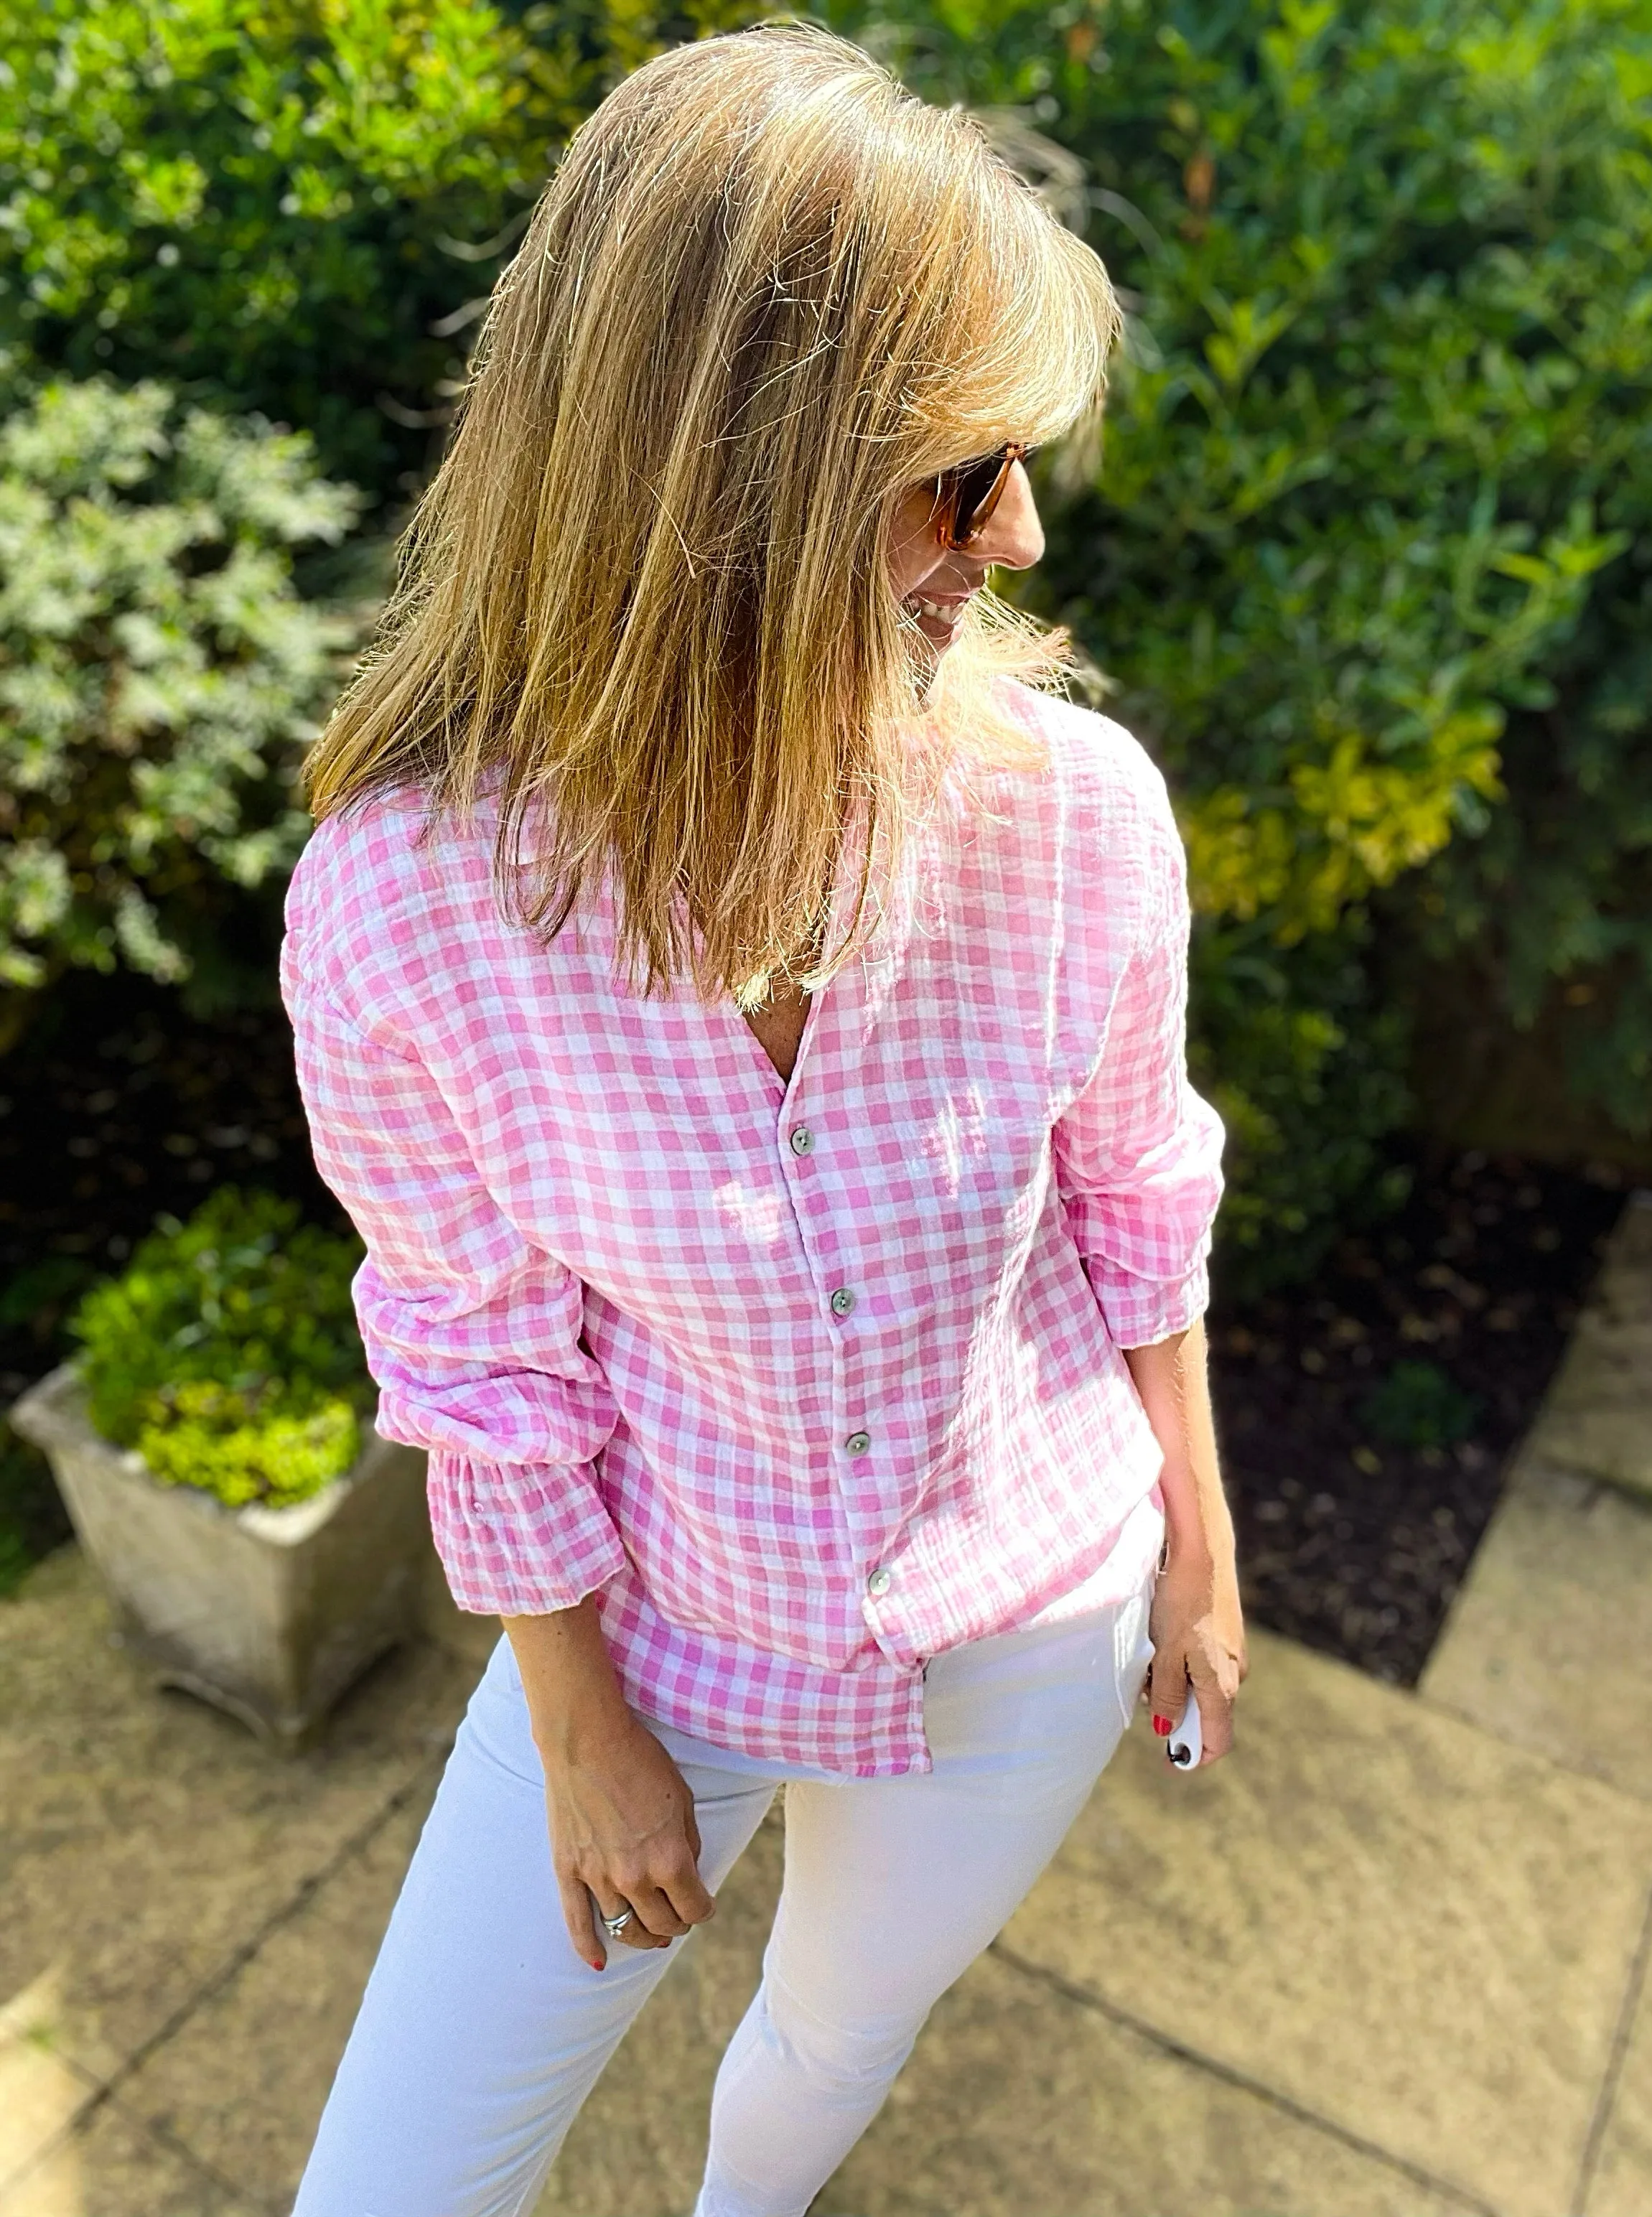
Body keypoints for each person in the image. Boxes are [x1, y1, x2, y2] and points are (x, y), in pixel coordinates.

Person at [281, 23, 1243, 2217]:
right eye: (947, 467)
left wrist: (1193, 1526)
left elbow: (1133, 1191)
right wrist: (576, 1719)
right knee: (393, 2184)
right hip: (661, 1638)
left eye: (1019, 463)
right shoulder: (412, 907)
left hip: (1032, 1615)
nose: (1007, 535)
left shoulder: (1079, 821)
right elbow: (473, 1346)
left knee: (830, 2040)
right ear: (709, 478)